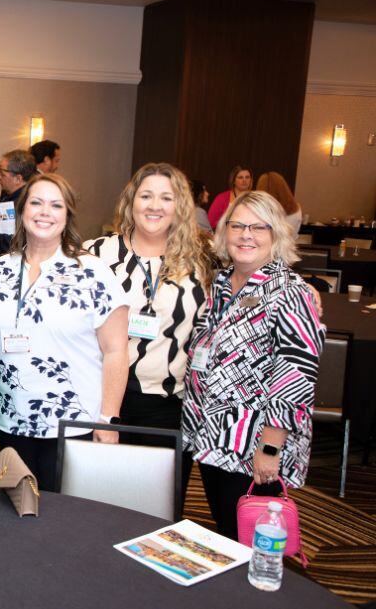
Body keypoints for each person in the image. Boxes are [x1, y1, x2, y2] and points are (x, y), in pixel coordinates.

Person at [183, 191, 324, 540]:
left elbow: (296, 375)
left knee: (250, 536)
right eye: (238, 225)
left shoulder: (291, 291)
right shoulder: (221, 284)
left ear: (276, 235)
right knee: (227, 530)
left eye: (259, 227)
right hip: (216, 438)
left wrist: (270, 448)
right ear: (224, 231)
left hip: (255, 447)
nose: (247, 235)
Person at [0, 173, 129, 491]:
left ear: (67, 216)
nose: (44, 212)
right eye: (36, 203)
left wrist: (109, 419)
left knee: (64, 517)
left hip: (73, 422)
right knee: (15, 508)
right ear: (22, 210)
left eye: (56, 205)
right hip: (8, 418)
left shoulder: (93, 273)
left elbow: (117, 350)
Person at [85, 164, 215, 489]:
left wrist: (302, 286)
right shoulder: (95, 254)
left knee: (157, 507)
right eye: (146, 196)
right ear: (131, 202)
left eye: (166, 198)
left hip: (168, 405)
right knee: (98, 500)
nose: (155, 205)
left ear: (180, 206)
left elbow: (249, 269)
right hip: (99, 399)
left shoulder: (202, 260)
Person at [0, 149, 37, 258]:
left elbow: (20, 243)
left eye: (2, 172)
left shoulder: (29, 204)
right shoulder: (8, 195)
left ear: (18, 179)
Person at [207, 165, 253, 230]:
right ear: (233, 181)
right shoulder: (222, 198)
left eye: (247, 177)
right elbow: (210, 222)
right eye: (240, 177)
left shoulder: (256, 198)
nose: (244, 180)